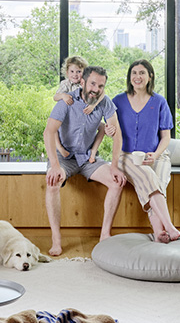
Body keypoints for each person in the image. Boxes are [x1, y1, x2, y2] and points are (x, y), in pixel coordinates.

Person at [44, 65, 126, 256]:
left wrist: (115, 166)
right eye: (92, 84)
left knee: (117, 182)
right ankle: (56, 241)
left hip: (88, 158)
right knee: (52, 181)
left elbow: (117, 134)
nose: (96, 89)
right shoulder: (67, 101)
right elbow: (49, 131)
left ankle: (105, 235)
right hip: (65, 158)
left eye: (100, 85)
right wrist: (55, 165)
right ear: (82, 82)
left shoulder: (105, 102)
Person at [111, 59, 180, 243]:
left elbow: (166, 137)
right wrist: (107, 129)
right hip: (126, 156)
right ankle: (169, 227)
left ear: (150, 76)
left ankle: (158, 233)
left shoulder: (159, 102)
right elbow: (107, 127)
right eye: (134, 73)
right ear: (130, 77)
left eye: (142, 73)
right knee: (150, 179)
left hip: (157, 155)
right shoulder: (118, 101)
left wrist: (155, 155)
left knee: (158, 183)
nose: (137, 77)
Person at [52, 55, 103, 159]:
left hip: (84, 114)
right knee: (54, 127)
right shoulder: (65, 84)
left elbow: (102, 93)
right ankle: (60, 148)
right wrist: (63, 95)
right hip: (69, 116)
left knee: (101, 127)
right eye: (72, 71)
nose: (75, 75)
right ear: (67, 73)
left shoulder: (86, 83)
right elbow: (55, 97)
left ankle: (92, 151)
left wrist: (93, 105)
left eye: (79, 71)